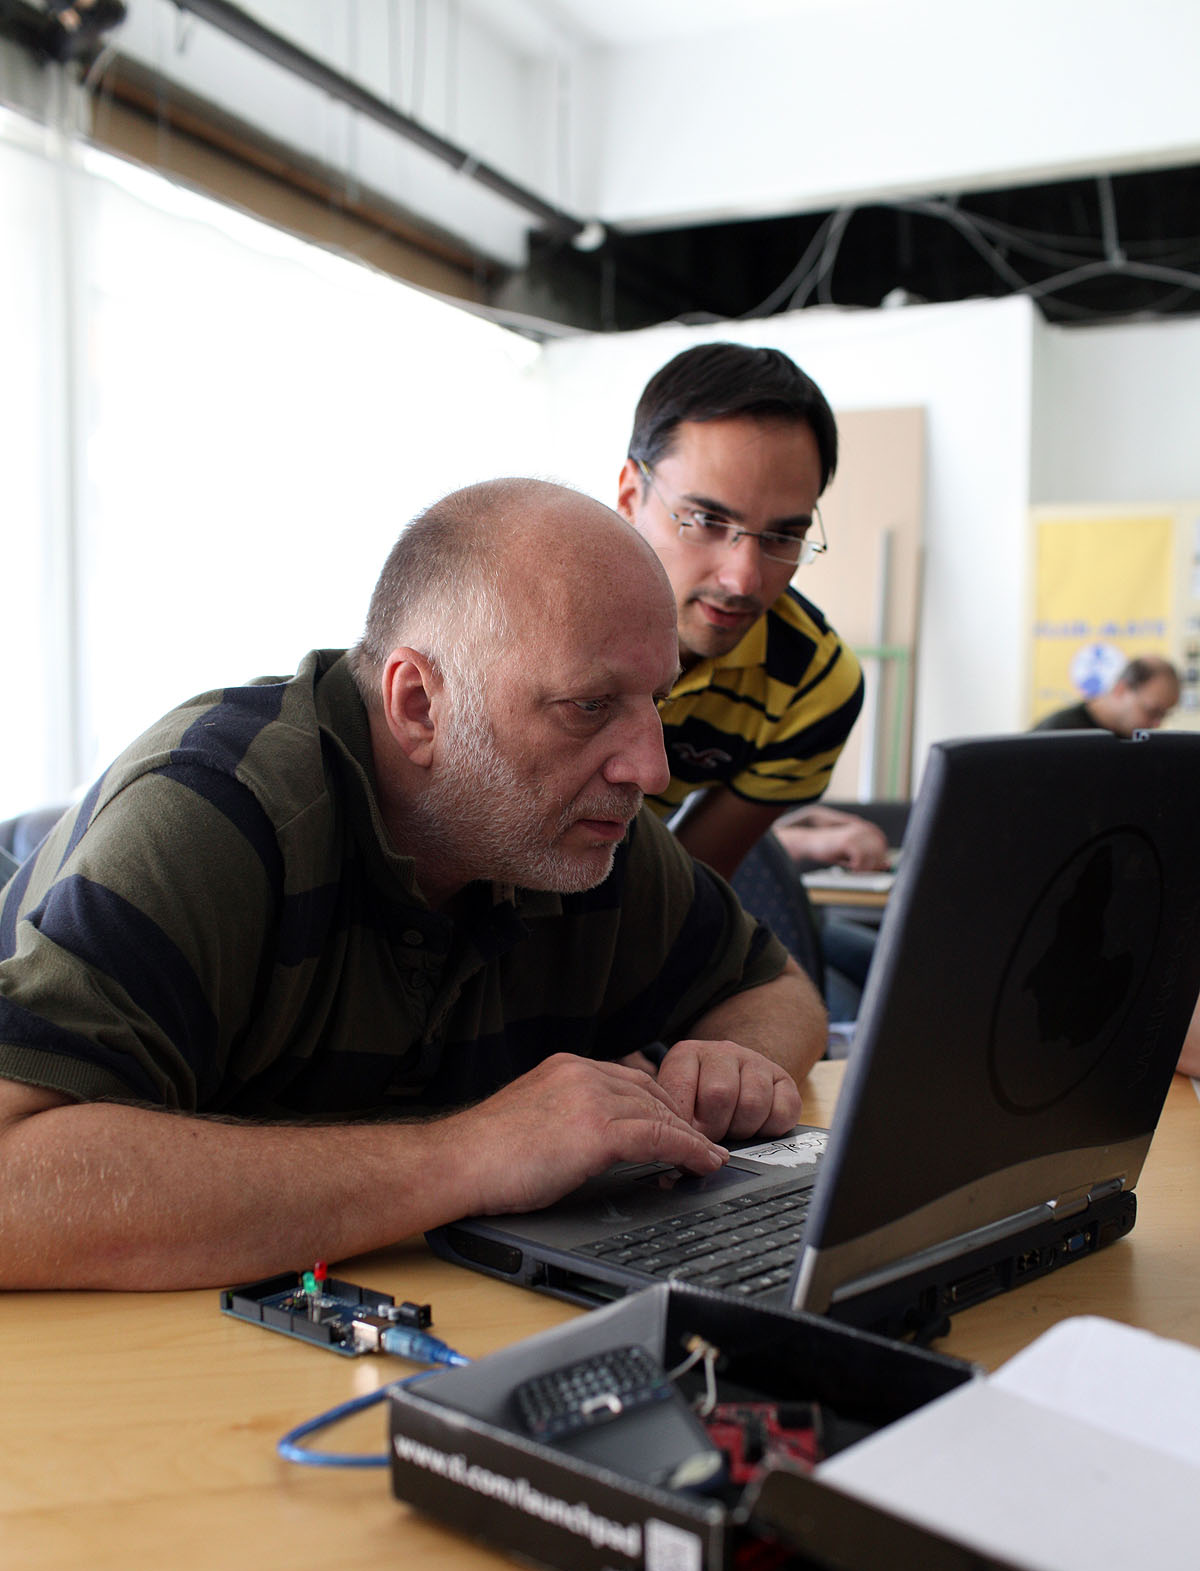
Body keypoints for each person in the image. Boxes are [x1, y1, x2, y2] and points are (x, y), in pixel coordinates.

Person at [0, 481, 825, 1292]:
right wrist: (473, 1153)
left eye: (655, 701)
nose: (649, 768)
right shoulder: (217, 812)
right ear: (420, 704)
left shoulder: (580, 827)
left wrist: (733, 1066)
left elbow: (774, 987)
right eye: (587, 706)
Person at [616, 342, 866, 883]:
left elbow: (678, 888)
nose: (744, 580)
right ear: (631, 495)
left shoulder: (812, 683)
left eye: (783, 536)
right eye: (707, 520)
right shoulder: (524, 620)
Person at [1033, 656, 1180, 737]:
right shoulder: (1056, 734)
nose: (1157, 724)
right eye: (1152, 712)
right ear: (1121, 689)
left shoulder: (1137, 739)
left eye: (1164, 715)